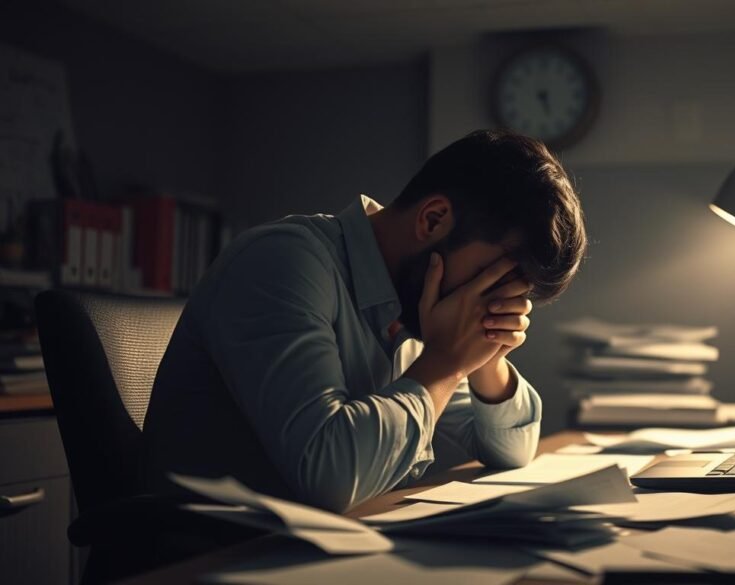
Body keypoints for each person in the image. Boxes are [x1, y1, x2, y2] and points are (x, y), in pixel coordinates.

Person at [143, 129, 588, 513]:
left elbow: (511, 452)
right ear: (433, 219)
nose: (492, 301)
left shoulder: (417, 303)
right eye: (491, 279)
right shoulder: (282, 262)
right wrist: (446, 364)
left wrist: (487, 354)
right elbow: (328, 476)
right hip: (204, 558)